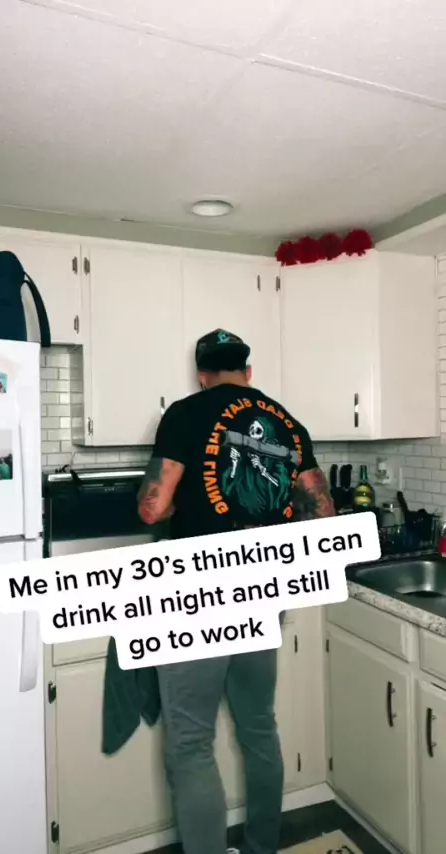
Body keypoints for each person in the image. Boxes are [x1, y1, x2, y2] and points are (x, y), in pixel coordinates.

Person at [137, 329, 335, 854]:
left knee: (190, 743)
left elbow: (153, 508)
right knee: (259, 727)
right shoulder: (287, 421)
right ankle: (262, 846)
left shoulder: (185, 413)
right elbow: (323, 515)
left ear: (202, 375)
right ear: (249, 372)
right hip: (264, 588)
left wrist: (184, 503)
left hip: (199, 591)